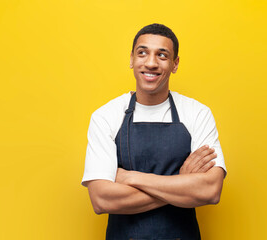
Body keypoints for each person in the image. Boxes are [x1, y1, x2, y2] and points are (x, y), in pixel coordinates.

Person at [82, 23, 227, 240]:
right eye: (142, 53)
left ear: (175, 64)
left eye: (162, 55)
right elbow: (102, 200)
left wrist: (130, 177)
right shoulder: (105, 116)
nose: (151, 63)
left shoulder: (197, 113)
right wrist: (181, 181)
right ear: (131, 59)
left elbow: (210, 191)